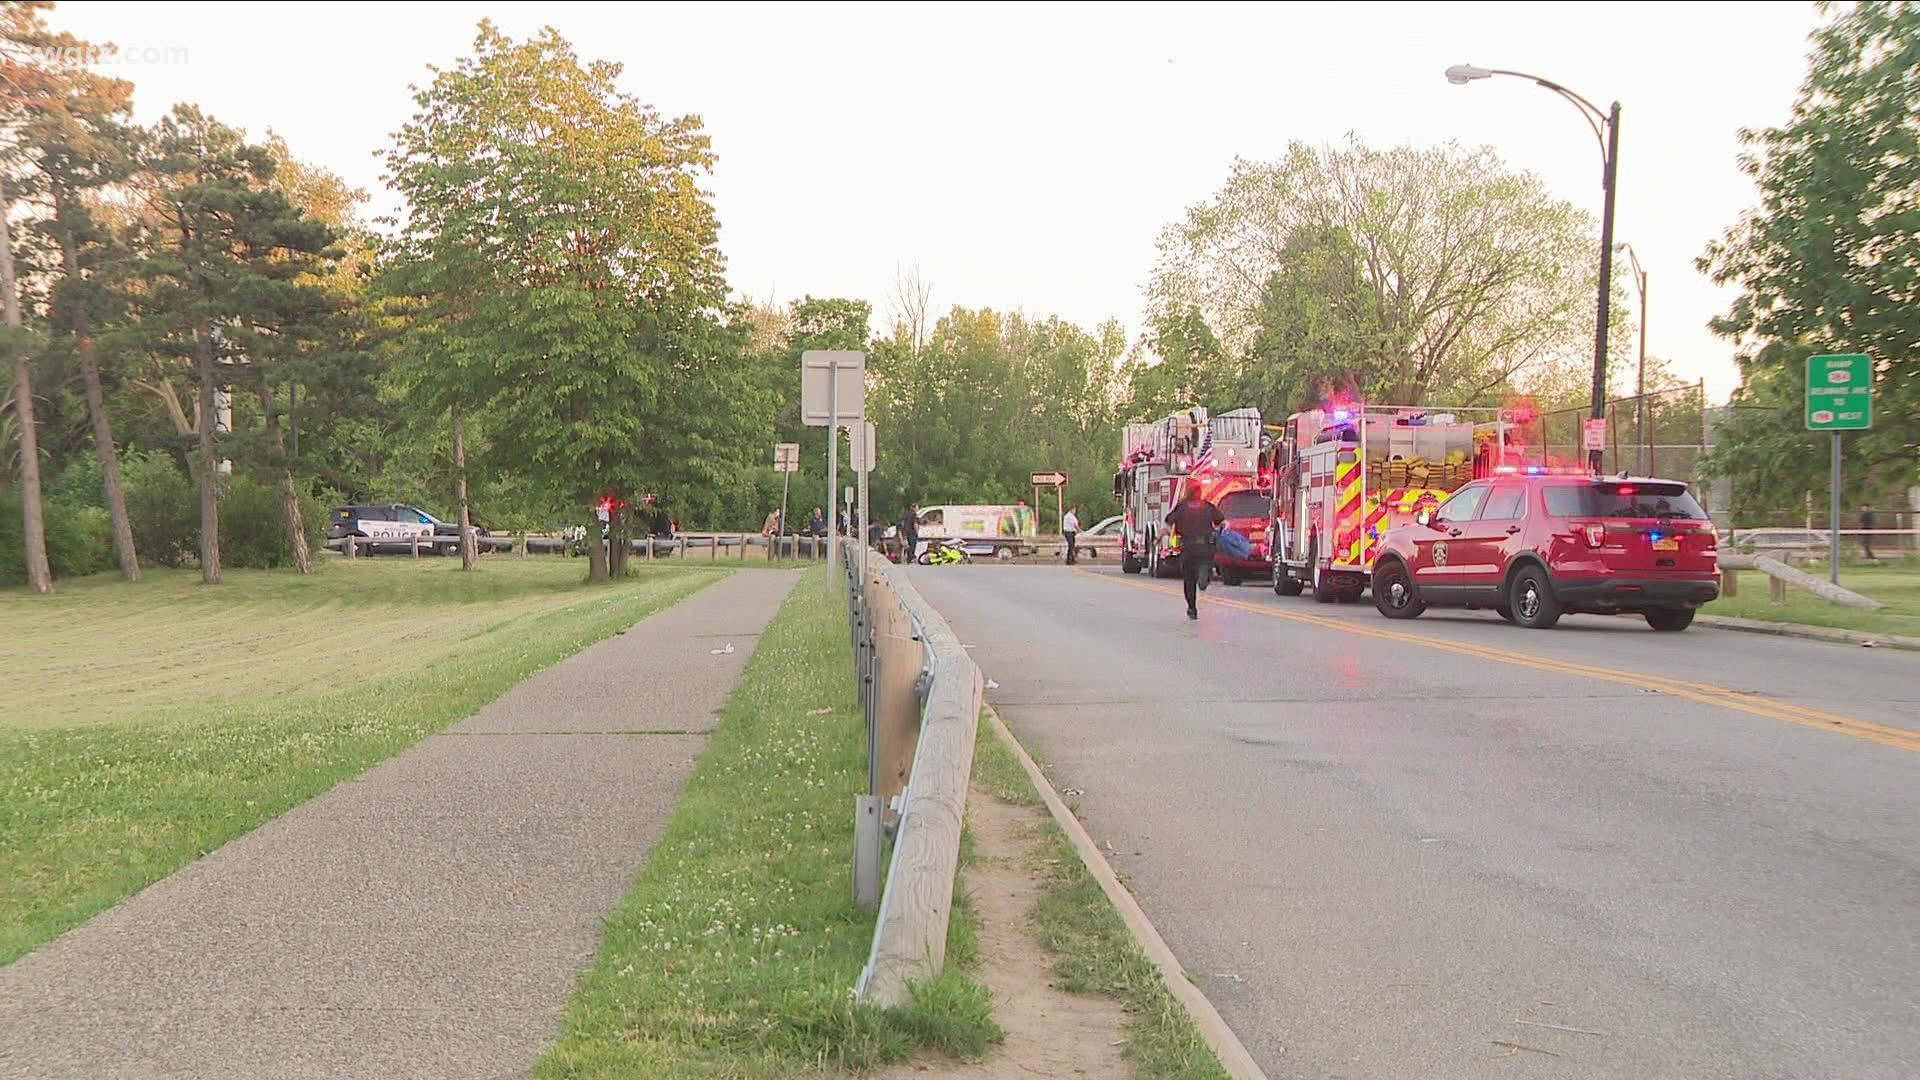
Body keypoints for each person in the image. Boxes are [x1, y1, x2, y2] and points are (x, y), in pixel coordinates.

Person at [1164, 488, 1224, 620]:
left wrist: (1164, 536)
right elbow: (1221, 521)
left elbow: (1168, 521)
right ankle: (1205, 575)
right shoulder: (1207, 506)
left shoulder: (1182, 507)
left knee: (1189, 580)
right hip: (1205, 546)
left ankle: (1192, 608)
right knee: (1206, 563)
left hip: (1188, 546)